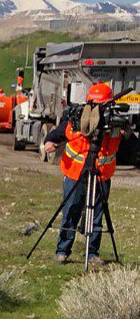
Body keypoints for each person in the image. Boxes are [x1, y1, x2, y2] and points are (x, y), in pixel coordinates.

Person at [42, 82, 122, 266]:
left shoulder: (114, 124)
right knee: (71, 211)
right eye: (93, 105)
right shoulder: (76, 120)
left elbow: (127, 140)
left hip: (101, 176)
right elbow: (56, 135)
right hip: (75, 174)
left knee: (96, 217)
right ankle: (62, 251)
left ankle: (92, 253)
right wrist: (49, 143)